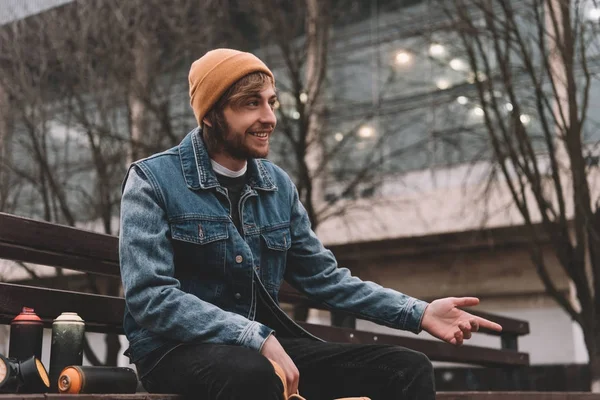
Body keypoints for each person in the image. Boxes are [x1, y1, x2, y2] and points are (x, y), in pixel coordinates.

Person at [119, 48, 502, 400]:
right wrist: (253, 336)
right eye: (251, 104)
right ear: (211, 114)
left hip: (261, 347)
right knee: (253, 374)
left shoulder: (276, 186)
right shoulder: (153, 180)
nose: (268, 118)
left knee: (404, 368)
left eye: (271, 103)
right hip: (173, 350)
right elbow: (152, 298)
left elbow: (326, 279)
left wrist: (418, 313)